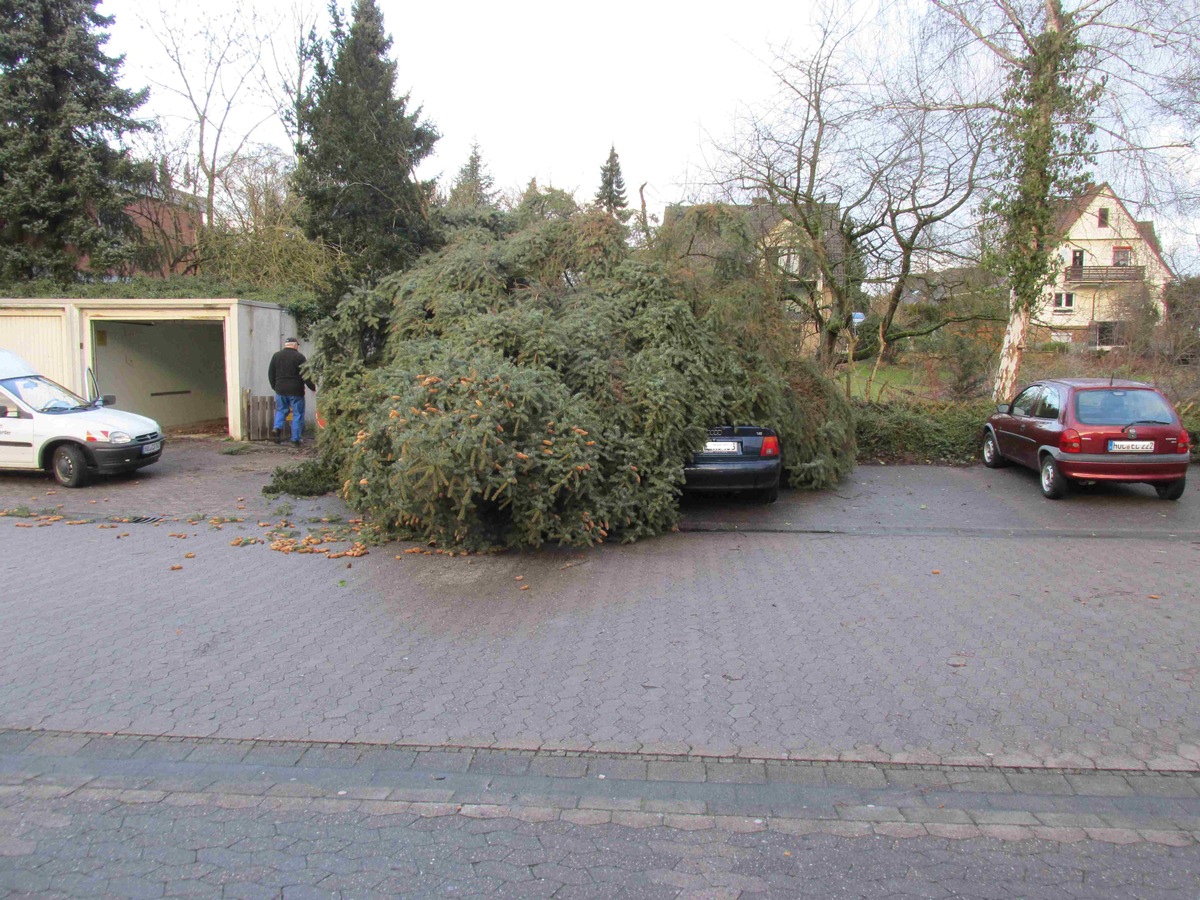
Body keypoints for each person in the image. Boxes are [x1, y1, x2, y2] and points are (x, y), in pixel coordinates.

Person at [267, 338, 315, 447]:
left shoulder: (276, 356)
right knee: (297, 414)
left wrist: (275, 387)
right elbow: (305, 375)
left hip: (280, 389)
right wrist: (312, 387)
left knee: (281, 410)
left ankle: (277, 429)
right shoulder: (299, 357)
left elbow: (271, 373)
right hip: (296, 390)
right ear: (294, 345)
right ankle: (295, 439)